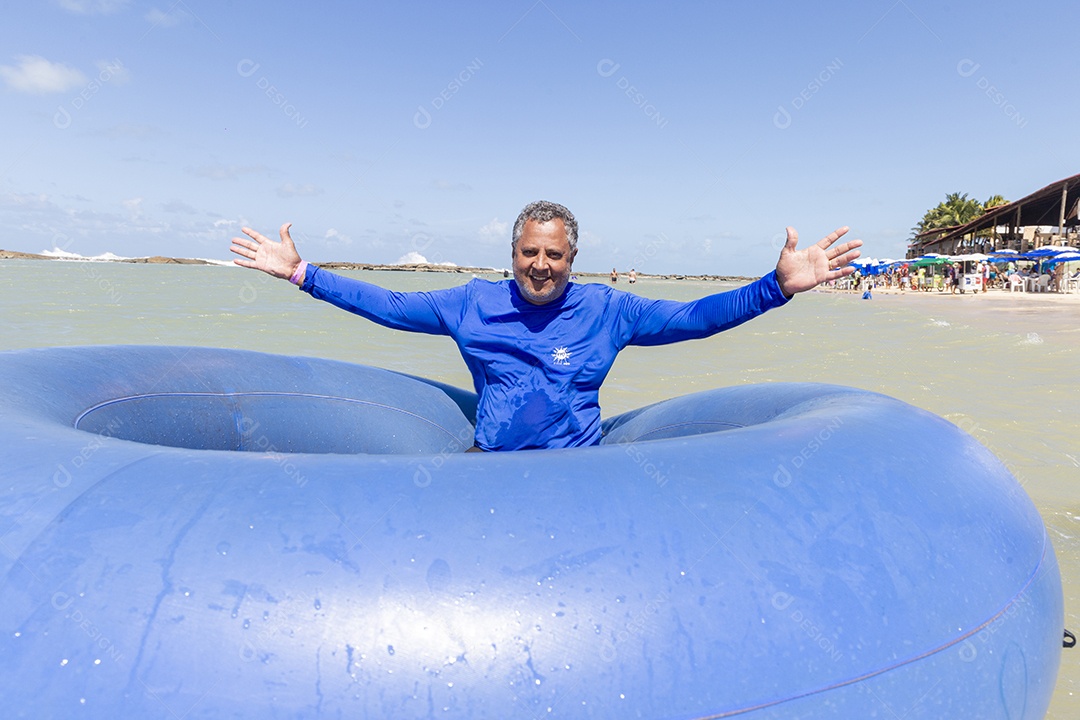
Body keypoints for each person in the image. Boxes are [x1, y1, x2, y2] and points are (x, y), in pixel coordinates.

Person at [230, 200, 862, 451]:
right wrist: (303, 274)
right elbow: (390, 306)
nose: (540, 264)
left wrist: (776, 288)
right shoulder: (471, 304)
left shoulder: (609, 310)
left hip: (578, 470)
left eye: (553, 253)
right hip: (492, 463)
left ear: (571, 257)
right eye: (529, 252)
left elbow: (695, 317)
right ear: (513, 254)